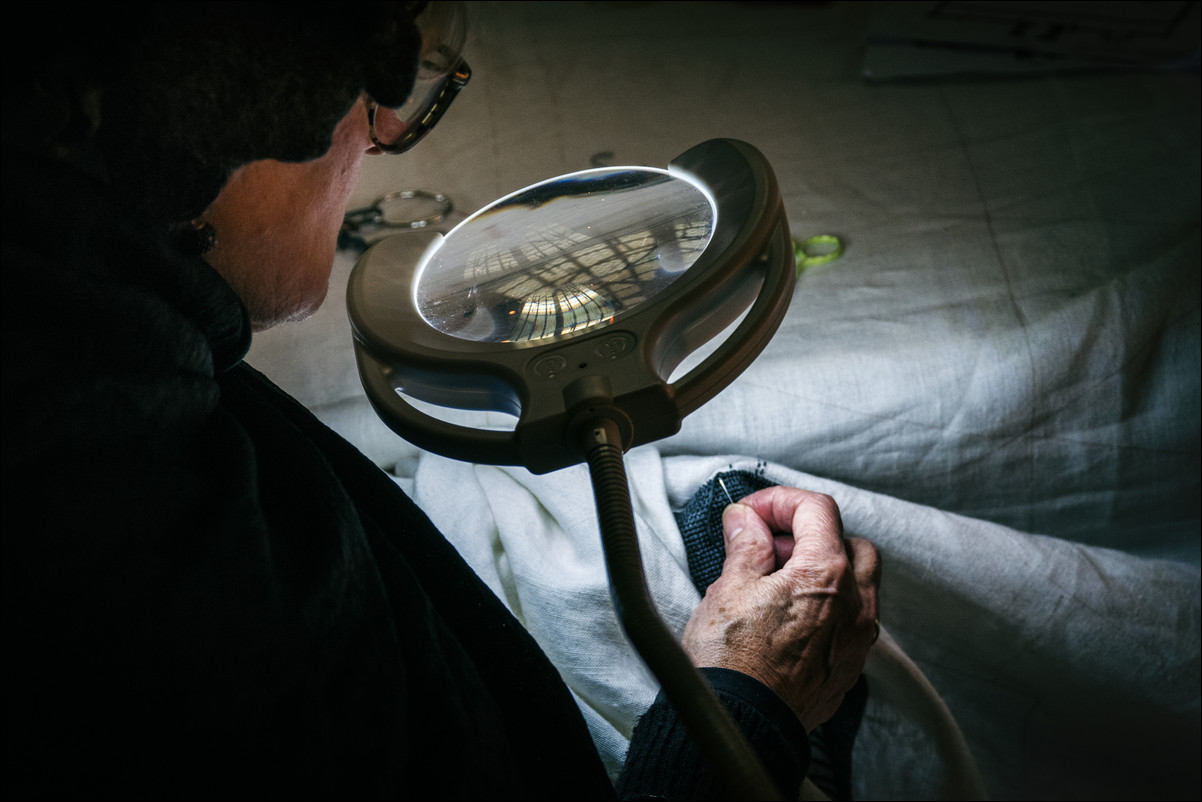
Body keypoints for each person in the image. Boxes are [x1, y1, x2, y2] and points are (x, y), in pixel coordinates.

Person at [1, 2, 880, 799]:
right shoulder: (171, 571)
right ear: (216, 105)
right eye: (361, 92)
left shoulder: (90, 350)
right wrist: (745, 705)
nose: (379, 135)